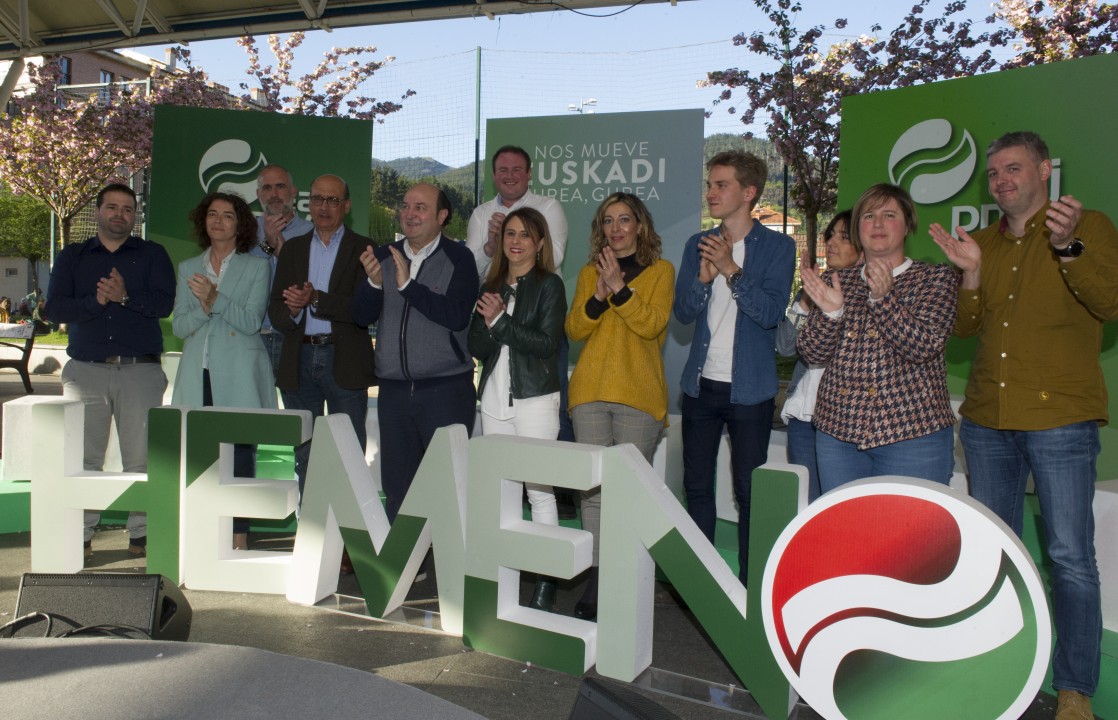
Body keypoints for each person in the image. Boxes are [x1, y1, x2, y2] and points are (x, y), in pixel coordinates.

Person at [930, 131, 1118, 720]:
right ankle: (1000, 670)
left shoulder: (1088, 228)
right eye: (993, 173)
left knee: (1070, 557)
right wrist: (969, 275)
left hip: (1060, 418)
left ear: (1043, 171)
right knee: (993, 555)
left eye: (1013, 168)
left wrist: (1068, 248)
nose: (1001, 180)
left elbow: (1111, 303)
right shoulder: (981, 243)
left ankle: (1075, 691)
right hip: (987, 420)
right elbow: (965, 328)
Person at [673, 151, 795, 586]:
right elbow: (683, 313)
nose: (711, 192)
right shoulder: (698, 243)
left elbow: (771, 313)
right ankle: (701, 585)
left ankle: (748, 588)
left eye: (721, 185)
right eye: (710, 184)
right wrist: (703, 280)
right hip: (700, 386)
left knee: (749, 493)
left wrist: (730, 270)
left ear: (748, 192)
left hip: (750, 390)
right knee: (697, 486)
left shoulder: (779, 247)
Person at [797, 183, 957, 493]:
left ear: (908, 225)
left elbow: (924, 346)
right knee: (846, 523)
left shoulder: (934, 278)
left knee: (910, 525)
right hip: (838, 434)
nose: (878, 224)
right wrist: (831, 313)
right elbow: (812, 354)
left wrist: (884, 299)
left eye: (889, 215)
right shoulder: (836, 280)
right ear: (858, 228)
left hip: (913, 435)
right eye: (868, 216)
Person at [44, 183, 175, 559]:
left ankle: (142, 535)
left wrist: (125, 297)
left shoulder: (152, 254)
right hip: (86, 371)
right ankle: (81, 534)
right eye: (113, 207)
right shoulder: (73, 256)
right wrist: (96, 301)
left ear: (135, 216)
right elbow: (54, 309)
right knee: (84, 459)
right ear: (98, 212)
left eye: (128, 209)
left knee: (142, 458)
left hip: (140, 372)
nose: (120, 214)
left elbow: (164, 304)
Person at [565, 192, 674, 620]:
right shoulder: (586, 273)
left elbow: (651, 325)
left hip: (639, 397)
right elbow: (574, 329)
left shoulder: (662, 271)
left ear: (640, 226)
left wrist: (620, 289)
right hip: (589, 394)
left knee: (626, 494)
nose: (616, 228)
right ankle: (598, 582)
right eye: (608, 220)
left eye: (624, 219)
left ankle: (625, 580)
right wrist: (597, 294)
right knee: (592, 494)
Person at [352, 183, 479, 526]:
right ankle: (405, 554)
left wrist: (408, 287)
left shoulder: (460, 258)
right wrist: (374, 284)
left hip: (445, 389)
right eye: (406, 206)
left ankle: (449, 553)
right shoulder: (383, 256)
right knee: (398, 484)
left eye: (420, 207)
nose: (410, 214)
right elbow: (360, 316)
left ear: (442, 216)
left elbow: (456, 316)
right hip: (393, 390)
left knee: (447, 481)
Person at [468, 207, 567, 612]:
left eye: (525, 234)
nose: (516, 241)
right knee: (502, 496)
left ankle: (547, 580)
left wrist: (500, 322)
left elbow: (546, 344)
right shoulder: (490, 285)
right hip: (493, 401)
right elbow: (476, 345)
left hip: (536, 401)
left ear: (540, 243)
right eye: (510, 233)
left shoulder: (550, 285)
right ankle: (502, 574)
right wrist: (492, 324)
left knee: (539, 493)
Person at [172, 192, 275, 550]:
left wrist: (215, 299)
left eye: (228, 215)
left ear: (240, 224)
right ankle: (201, 532)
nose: (218, 221)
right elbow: (180, 327)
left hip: (239, 373)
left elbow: (250, 322)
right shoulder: (188, 267)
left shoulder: (257, 267)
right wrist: (205, 307)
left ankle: (238, 535)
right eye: (212, 214)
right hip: (198, 372)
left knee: (240, 454)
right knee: (200, 455)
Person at [268, 174, 376, 501]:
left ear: (347, 206)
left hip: (344, 361)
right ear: (308, 203)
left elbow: (365, 310)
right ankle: (311, 525)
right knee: (306, 454)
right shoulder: (293, 249)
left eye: (332, 200)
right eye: (317, 199)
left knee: (348, 454)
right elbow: (275, 310)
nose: (324, 207)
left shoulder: (365, 250)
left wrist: (316, 299)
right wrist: (293, 309)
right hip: (298, 361)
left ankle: (348, 526)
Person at [774, 210, 858, 502]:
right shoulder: (811, 289)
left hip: (844, 418)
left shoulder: (871, 295)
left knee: (840, 504)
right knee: (809, 505)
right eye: (830, 235)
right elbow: (785, 346)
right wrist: (805, 303)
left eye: (844, 237)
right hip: (803, 417)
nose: (832, 242)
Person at [465, 146, 568, 279]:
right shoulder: (480, 213)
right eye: (503, 170)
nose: (510, 175)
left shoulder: (549, 207)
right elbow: (468, 270)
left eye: (517, 170)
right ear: (493, 175)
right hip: (492, 292)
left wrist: (508, 234)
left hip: (539, 291)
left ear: (529, 173)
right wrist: (490, 248)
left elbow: (554, 259)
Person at [251, 164, 314, 373]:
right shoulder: (245, 231)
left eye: (280, 186)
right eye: (267, 188)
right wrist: (268, 245)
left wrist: (281, 249)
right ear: (258, 194)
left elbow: (308, 280)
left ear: (293, 191)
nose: (274, 194)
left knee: (294, 395)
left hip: (294, 337)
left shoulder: (311, 232)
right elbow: (242, 276)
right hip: (253, 336)